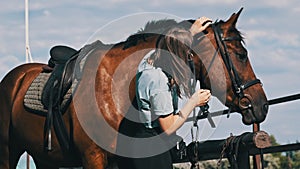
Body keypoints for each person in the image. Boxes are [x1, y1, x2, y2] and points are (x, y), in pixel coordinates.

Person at [117, 17, 212, 169]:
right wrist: (193, 102)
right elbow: (168, 128)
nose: (189, 57)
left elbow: (170, 44)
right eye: (186, 54)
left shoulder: (149, 64)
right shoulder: (159, 82)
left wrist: (190, 32)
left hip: (138, 145)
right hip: (152, 151)